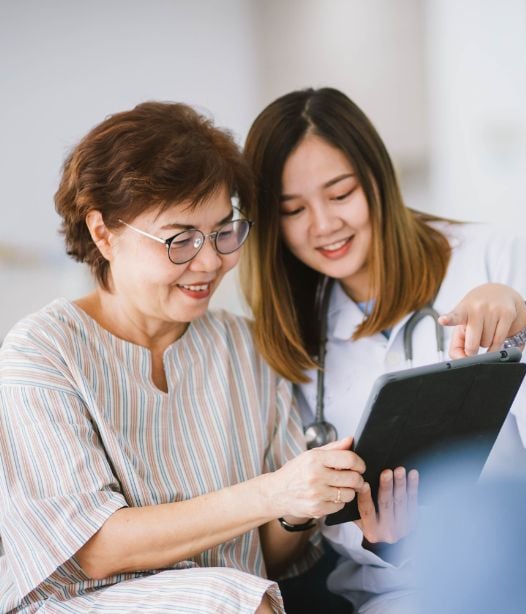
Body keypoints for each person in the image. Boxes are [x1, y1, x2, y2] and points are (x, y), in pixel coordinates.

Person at [240, 87, 526, 612]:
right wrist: (387, 539)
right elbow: (311, 522)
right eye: (293, 209)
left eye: (341, 193)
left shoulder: (489, 257)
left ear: (378, 181)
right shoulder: (290, 335)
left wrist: (522, 325)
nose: (323, 225)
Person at [0, 101, 368, 613]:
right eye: (179, 240)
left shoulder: (245, 348)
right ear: (104, 233)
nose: (211, 261)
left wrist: (299, 508)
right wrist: (269, 493)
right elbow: (97, 549)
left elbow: (268, 558)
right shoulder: (41, 354)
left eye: (223, 231)